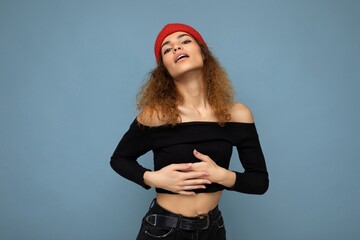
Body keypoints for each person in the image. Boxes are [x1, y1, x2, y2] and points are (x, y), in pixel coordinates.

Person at [110, 23, 269, 240]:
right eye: (167, 49)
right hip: (163, 231)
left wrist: (223, 176)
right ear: (164, 69)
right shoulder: (155, 115)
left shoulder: (238, 115)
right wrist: (153, 178)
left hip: (213, 231)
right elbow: (119, 159)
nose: (176, 48)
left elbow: (259, 182)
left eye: (185, 41)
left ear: (203, 54)